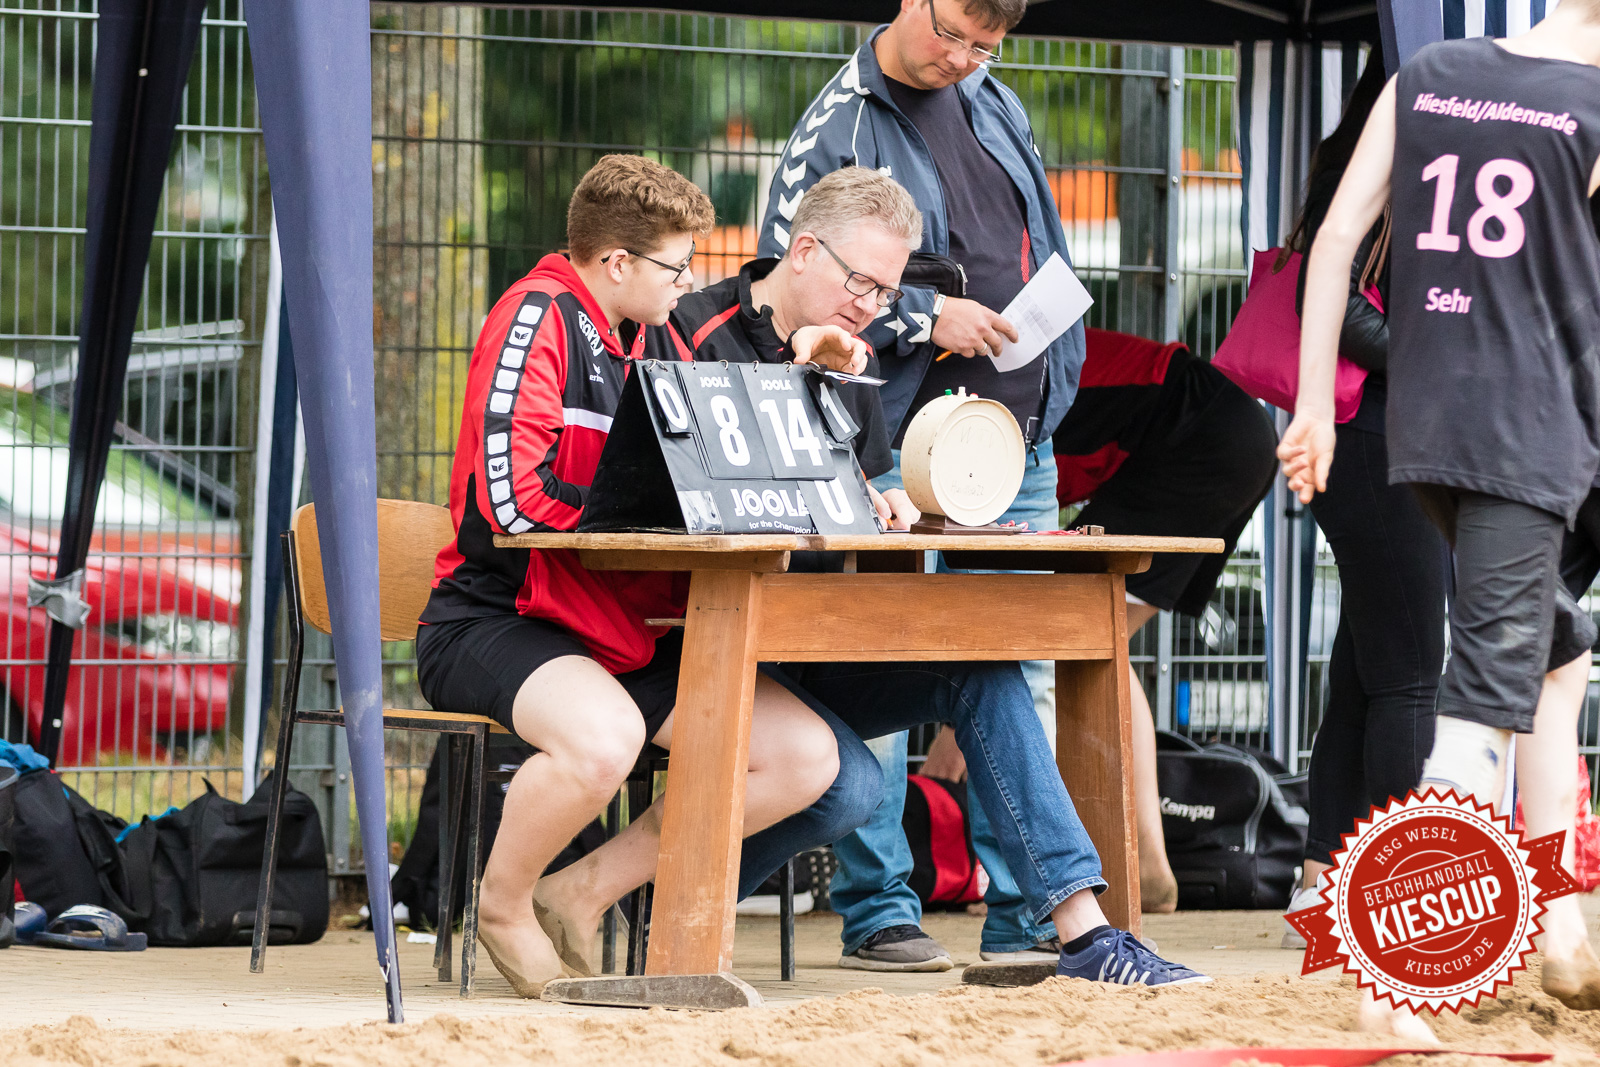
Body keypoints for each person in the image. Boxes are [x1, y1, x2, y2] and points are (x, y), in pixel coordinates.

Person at [646, 164, 1211, 987]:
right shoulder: (691, 330)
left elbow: (861, 499)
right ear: (802, 251)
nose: (871, 308)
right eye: (861, 283)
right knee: (852, 779)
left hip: (803, 644)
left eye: (886, 292)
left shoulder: (854, 353)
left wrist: (895, 508)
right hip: (699, 647)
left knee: (985, 670)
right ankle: (660, 900)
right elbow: (684, 500)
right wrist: (797, 388)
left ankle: (1084, 931)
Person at [414, 154, 880, 996]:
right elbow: (509, 502)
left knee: (807, 758)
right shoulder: (537, 314)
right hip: (498, 616)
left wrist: (800, 370)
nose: (688, 283)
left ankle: (581, 890)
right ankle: (504, 904)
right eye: (676, 266)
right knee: (605, 741)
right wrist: (641, 520)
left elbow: (716, 460)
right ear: (617, 262)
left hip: (615, 627)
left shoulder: (650, 335)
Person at [1280, 2, 1600, 1034]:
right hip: (1527, 430)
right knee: (1478, 708)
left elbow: (1334, 241)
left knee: (1555, 658)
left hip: (1424, 419)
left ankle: (1559, 926)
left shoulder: (1428, 73)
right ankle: (1398, 973)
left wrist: (1308, 409)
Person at [1277, 59, 1451, 949]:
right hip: (1377, 437)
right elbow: (1335, 300)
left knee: (1369, 664)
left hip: (1371, 437)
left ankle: (1324, 881)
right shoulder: (1387, 173)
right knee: (1412, 670)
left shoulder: (1355, 163)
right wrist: (1442, 358)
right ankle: (1395, 899)